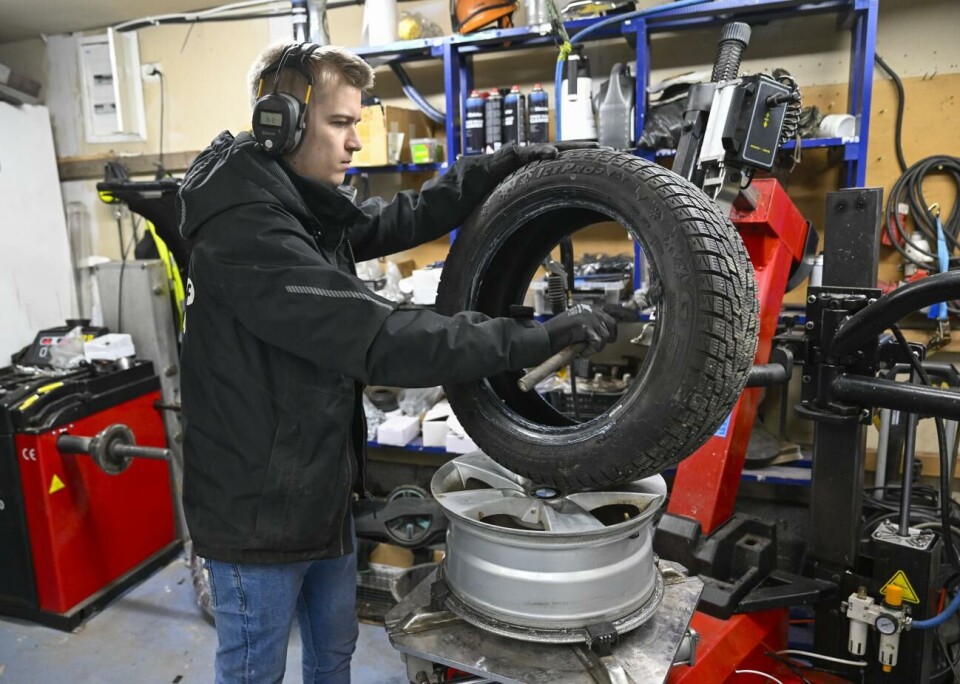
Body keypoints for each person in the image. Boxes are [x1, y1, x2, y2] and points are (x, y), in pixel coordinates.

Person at [176, 41, 616, 684]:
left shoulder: (300, 209)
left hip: (316, 491)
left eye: (359, 123)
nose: (355, 142)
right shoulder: (245, 232)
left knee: (334, 653)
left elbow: (394, 219)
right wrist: (532, 338)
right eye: (340, 123)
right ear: (283, 125)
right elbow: (380, 336)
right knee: (252, 672)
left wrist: (491, 170)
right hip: (256, 514)